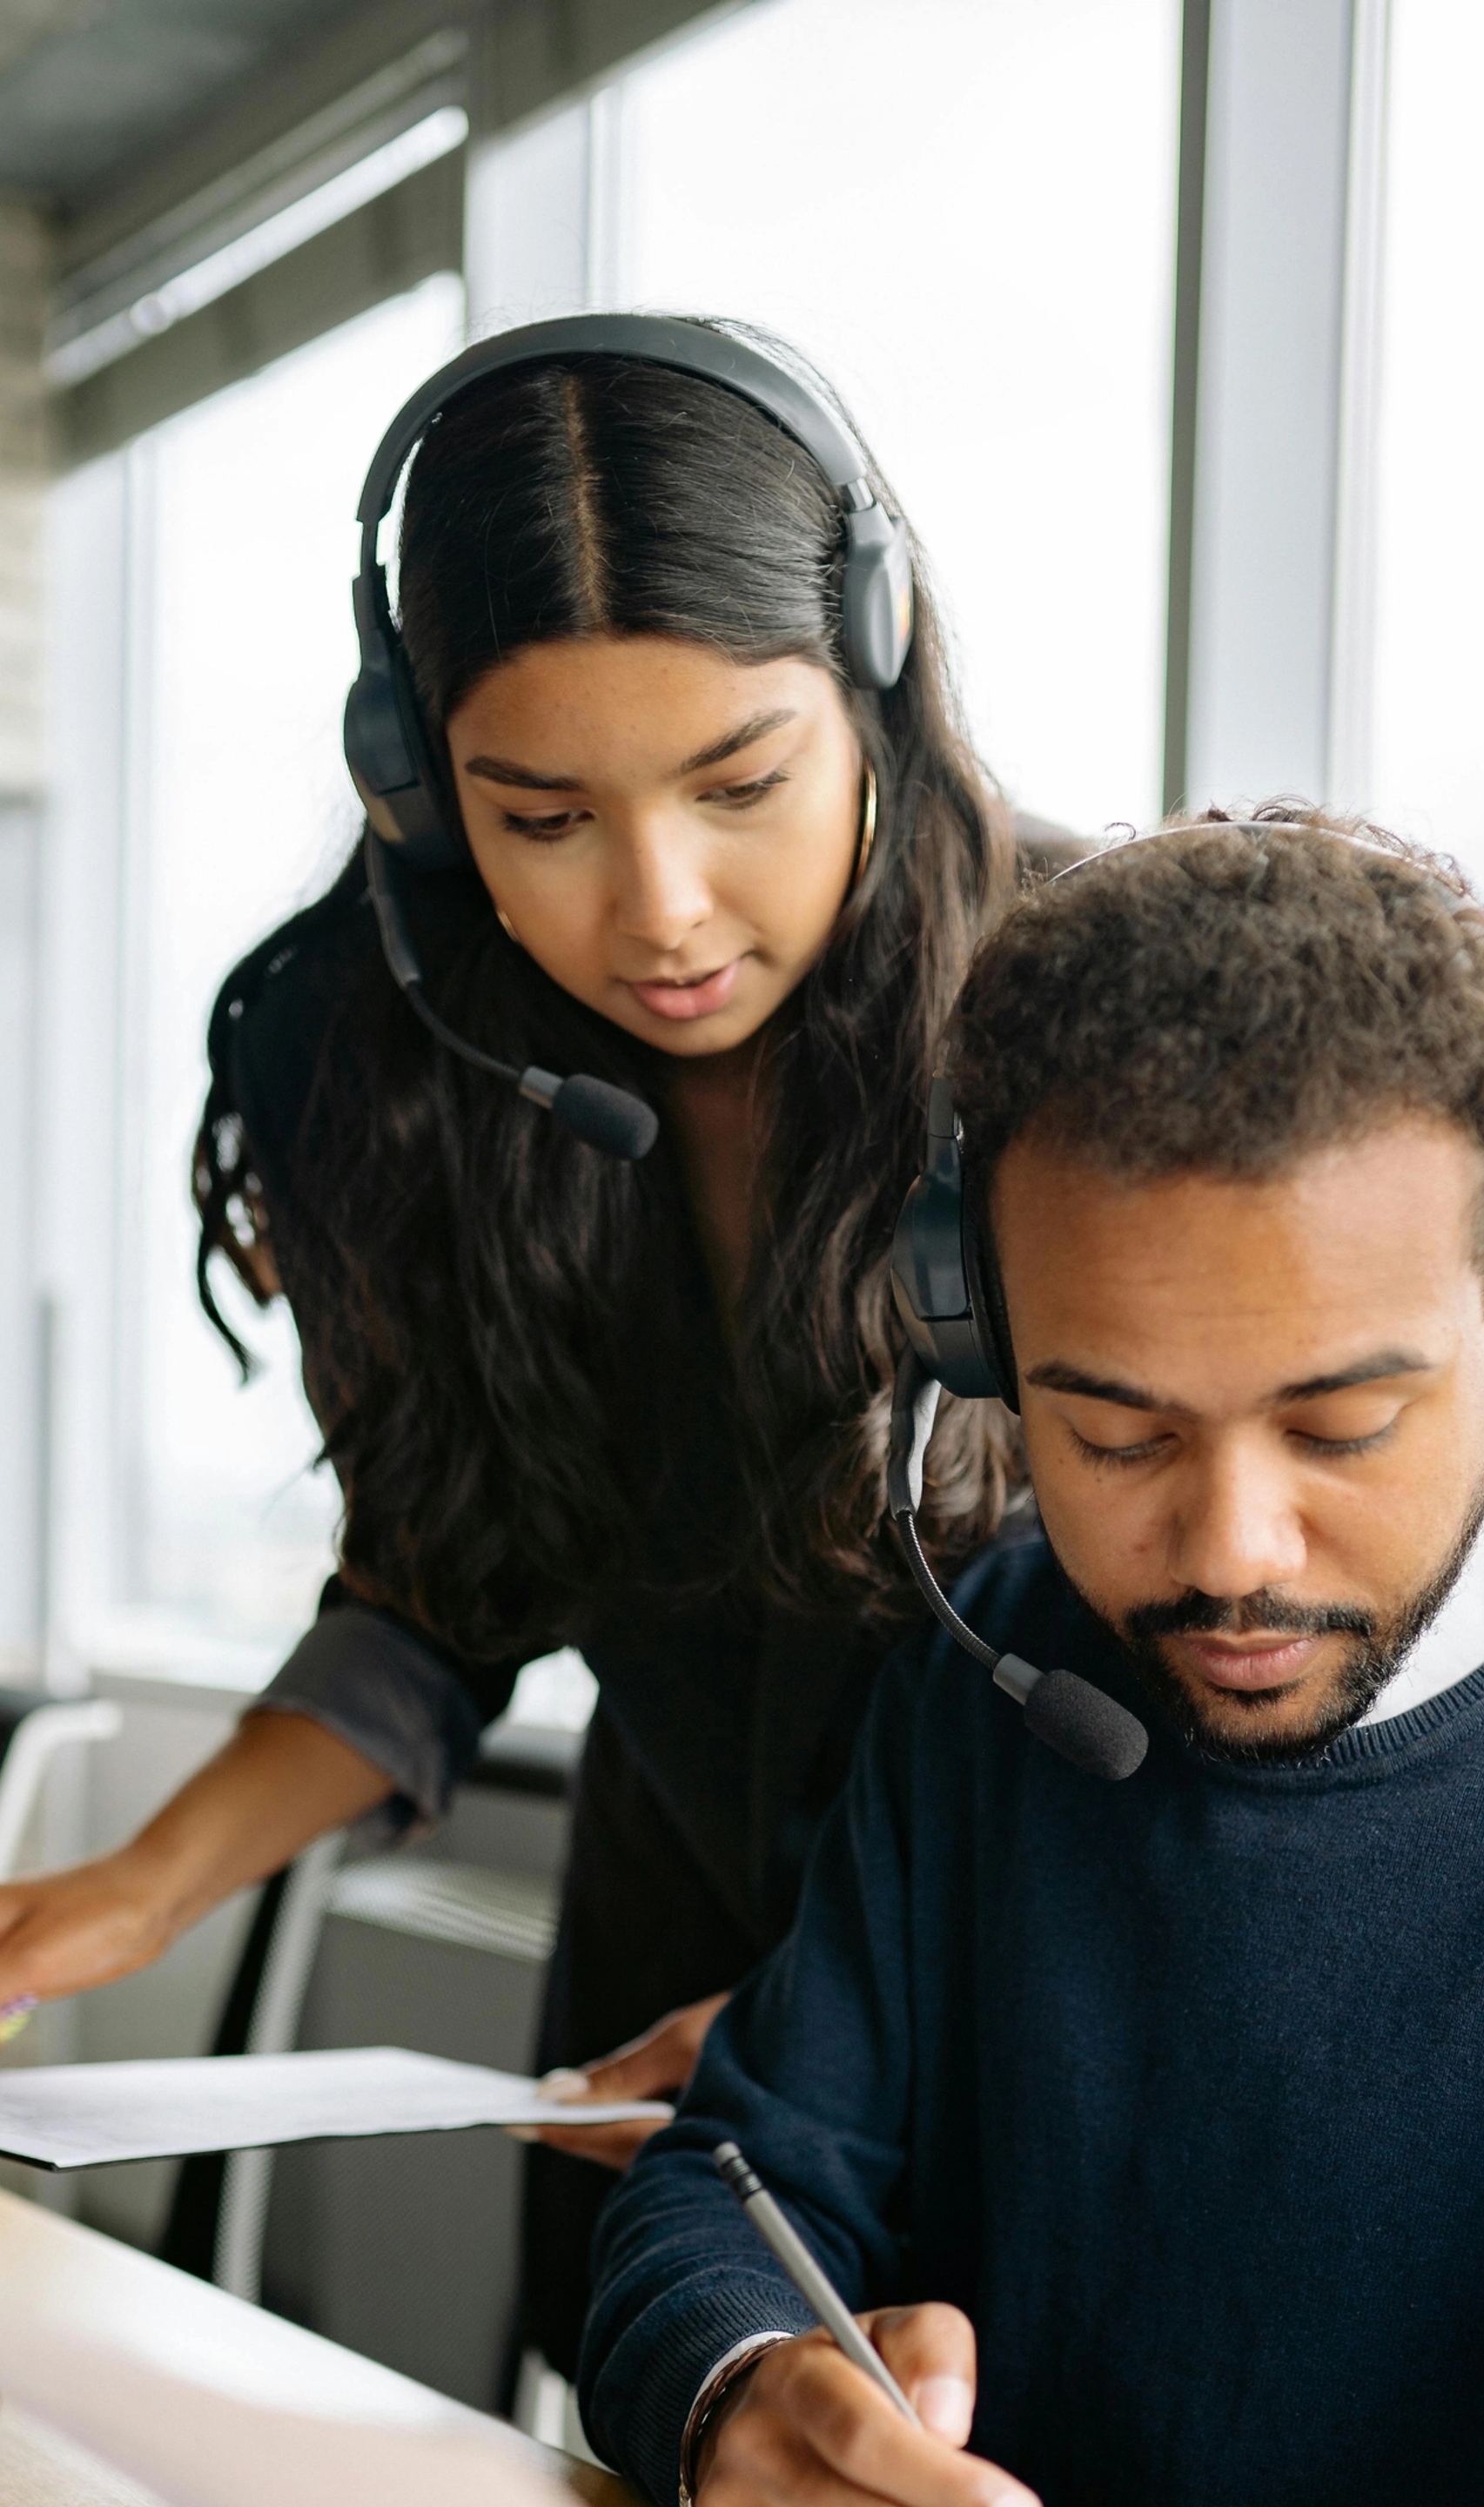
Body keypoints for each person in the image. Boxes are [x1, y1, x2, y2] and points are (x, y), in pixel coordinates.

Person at [0, 320, 1061, 2369]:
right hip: (650, 2014)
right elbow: (441, 1583)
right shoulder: (404, 1076)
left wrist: (854, 2020)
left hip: (1049, 2011)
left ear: (879, 676)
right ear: (417, 781)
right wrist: (137, 1885)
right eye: (540, 815)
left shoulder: (1085, 1024)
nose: (659, 908)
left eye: (742, 781)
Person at [577, 809, 1484, 2507]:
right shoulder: (995, 1662)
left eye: (1341, 1428)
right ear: (987, 1337)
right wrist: (745, 2395)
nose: (1232, 1551)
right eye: (1118, 1437)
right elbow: (729, 2181)